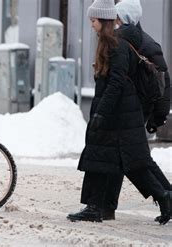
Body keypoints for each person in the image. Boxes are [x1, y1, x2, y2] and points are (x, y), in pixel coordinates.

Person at [67, 0, 171, 225]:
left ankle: (163, 196)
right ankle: (99, 207)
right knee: (109, 160)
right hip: (120, 112)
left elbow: (117, 83)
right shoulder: (110, 42)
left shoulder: (118, 45)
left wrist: (101, 114)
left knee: (130, 162)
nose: (91, 24)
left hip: (121, 113)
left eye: (94, 20)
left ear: (105, 20)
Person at [99, 0, 171, 221]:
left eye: (116, 17)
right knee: (126, 158)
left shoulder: (134, 42)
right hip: (134, 109)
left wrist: (157, 117)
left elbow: (162, 84)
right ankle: (107, 207)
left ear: (123, 18)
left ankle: (166, 196)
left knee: (136, 159)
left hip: (134, 110)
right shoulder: (141, 41)